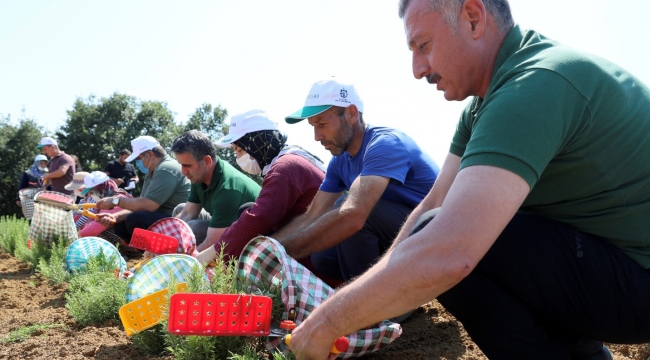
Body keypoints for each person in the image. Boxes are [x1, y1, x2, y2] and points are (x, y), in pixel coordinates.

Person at [286, 1, 650, 359]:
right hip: (608, 266)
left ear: (473, 19)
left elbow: (450, 249)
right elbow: (431, 204)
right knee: (434, 231)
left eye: (423, 46)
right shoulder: (483, 105)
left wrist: (327, 323)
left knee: (454, 242)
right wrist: (352, 303)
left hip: (639, 281)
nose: (416, 69)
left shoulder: (533, 85)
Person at [273, 78, 439, 284]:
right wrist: (272, 247)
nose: (316, 136)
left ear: (351, 113)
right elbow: (312, 215)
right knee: (323, 257)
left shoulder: (385, 144)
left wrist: (285, 253)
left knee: (349, 212)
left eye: (322, 124)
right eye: (313, 127)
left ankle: (380, 302)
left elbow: (354, 214)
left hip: (436, 233)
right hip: (398, 234)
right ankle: (391, 285)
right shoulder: (339, 160)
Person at [195, 109, 326, 264]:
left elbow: (259, 218)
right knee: (247, 209)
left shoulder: (285, 167)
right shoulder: (289, 160)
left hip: (318, 254)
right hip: (309, 238)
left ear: (256, 144)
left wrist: (212, 253)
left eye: (240, 149)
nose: (238, 158)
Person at [170, 130, 261, 251]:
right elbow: (188, 213)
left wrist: (181, 262)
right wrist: (165, 240)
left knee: (191, 228)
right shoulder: (199, 175)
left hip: (253, 239)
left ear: (207, 161)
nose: (183, 171)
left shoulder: (228, 189)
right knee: (180, 210)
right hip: (225, 222)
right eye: (181, 165)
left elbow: (213, 243)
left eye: (187, 165)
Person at [94, 135, 191, 243]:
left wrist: (115, 201)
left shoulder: (166, 169)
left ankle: (162, 252)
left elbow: (147, 206)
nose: (138, 164)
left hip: (181, 220)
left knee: (135, 219)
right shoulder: (153, 172)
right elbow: (140, 205)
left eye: (139, 159)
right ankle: (146, 254)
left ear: (150, 154)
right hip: (165, 217)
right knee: (120, 224)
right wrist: (114, 217)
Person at [76, 171, 132, 243]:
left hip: (129, 242)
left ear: (102, 188)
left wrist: (75, 237)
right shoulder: (108, 200)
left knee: (101, 229)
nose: (90, 195)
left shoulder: (115, 201)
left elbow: (93, 229)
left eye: (92, 192)